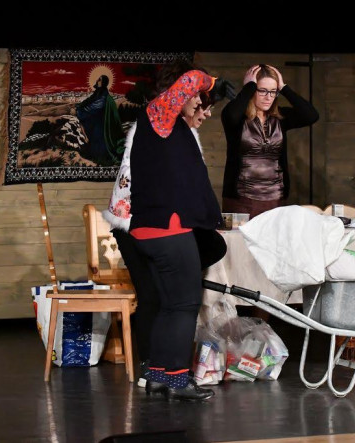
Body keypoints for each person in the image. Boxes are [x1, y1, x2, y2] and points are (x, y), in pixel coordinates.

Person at [121, 63, 226, 402]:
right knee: (184, 305)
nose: (197, 102)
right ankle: (179, 381)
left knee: (169, 306)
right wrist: (211, 82)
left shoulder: (171, 127)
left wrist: (204, 101)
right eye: (196, 97)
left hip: (156, 229)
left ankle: (157, 376)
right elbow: (192, 80)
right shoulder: (158, 116)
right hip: (167, 229)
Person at [221, 64, 319, 218]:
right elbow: (230, 115)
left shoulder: (280, 117)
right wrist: (249, 87)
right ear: (252, 89)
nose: (268, 97)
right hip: (241, 200)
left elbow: (311, 115)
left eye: (273, 91)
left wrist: (284, 87)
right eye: (262, 90)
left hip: (276, 199)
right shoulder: (239, 118)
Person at [75, 74, 125, 165]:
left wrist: (80, 111)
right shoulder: (97, 93)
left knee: (98, 141)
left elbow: (94, 107)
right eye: (98, 79)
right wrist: (80, 106)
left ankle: (100, 159)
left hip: (102, 124)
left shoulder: (103, 96)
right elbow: (89, 101)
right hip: (97, 120)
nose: (97, 80)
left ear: (104, 83)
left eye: (100, 80)